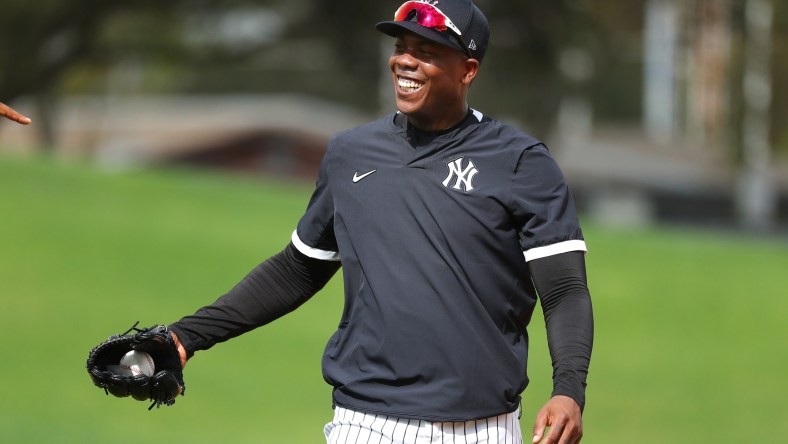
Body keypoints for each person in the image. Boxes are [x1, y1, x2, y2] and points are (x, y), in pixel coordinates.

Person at [167, 1, 593, 443]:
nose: (405, 60)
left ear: (468, 70)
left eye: (427, 51)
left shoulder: (520, 161)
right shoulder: (350, 152)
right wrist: (187, 336)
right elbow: (297, 269)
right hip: (366, 424)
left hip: (483, 428)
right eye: (402, 46)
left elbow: (564, 290)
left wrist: (569, 391)